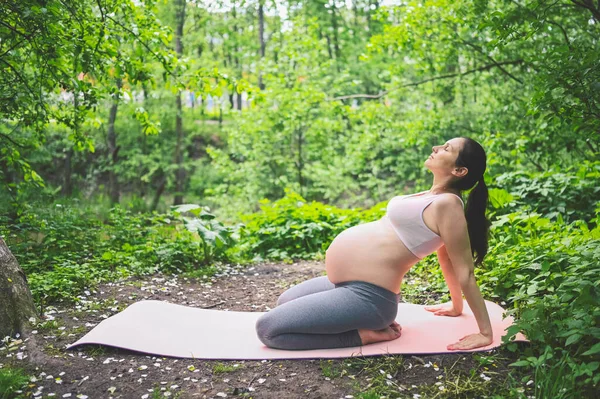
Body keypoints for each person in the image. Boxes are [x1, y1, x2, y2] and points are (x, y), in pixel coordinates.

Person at [255, 137, 493, 351]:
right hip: (347, 285)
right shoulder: (431, 196)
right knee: (284, 302)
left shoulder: (449, 205)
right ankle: (358, 320)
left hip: (368, 297)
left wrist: (485, 333)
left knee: (269, 330)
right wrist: (455, 305)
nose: (436, 147)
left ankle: (363, 336)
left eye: (446, 148)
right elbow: (445, 257)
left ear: (459, 170)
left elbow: (465, 270)